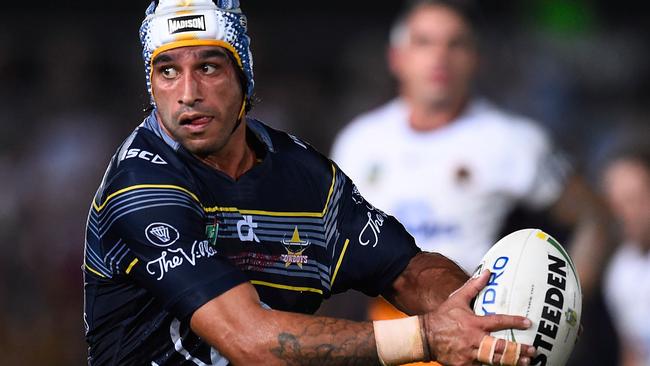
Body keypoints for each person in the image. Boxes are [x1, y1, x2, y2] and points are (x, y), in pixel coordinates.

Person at [82, 1, 536, 365]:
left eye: (208, 67)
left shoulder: (304, 175)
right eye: (167, 71)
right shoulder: (141, 186)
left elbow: (406, 270)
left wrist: (476, 315)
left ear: (243, 77)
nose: (187, 93)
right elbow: (252, 342)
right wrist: (429, 337)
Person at [331, 0, 611, 313]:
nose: (440, 57)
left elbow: (594, 218)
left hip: (479, 334)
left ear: (476, 59)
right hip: (386, 337)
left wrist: (564, 310)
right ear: (397, 58)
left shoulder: (513, 140)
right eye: (424, 42)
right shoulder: (358, 142)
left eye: (456, 44)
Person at [601, 146, 650, 366]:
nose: (623, 214)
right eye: (615, 205)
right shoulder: (620, 272)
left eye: (633, 200)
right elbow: (632, 352)